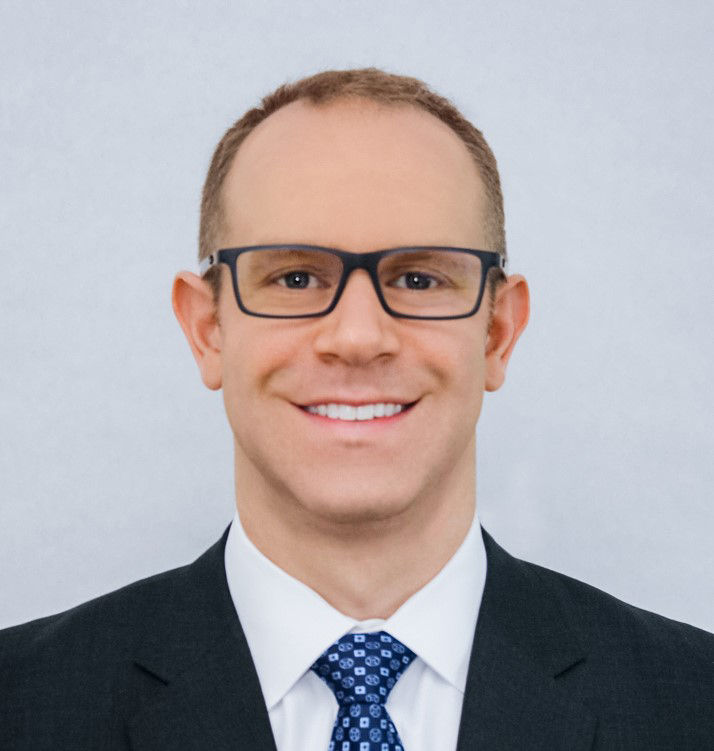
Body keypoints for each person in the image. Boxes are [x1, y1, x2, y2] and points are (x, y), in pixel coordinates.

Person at [0, 67, 712, 751]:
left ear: (497, 332)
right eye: (296, 277)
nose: (359, 337)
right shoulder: (21, 703)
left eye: (419, 278)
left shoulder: (692, 703)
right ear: (208, 329)